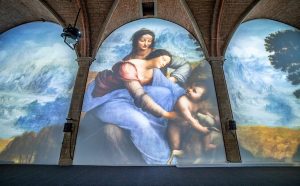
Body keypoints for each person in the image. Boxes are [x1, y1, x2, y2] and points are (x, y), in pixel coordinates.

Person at [82, 49, 185, 164]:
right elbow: (140, 96)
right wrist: (166, 114)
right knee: (141, 123)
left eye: (166, 63)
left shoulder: (155, 72)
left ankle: (160, 137)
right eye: (163, 59)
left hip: (126, 98)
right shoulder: (128, 67)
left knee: (166, 93)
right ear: (156, 55)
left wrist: (186, 97)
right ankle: (161, 160)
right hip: (109, 101)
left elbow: (171, 87)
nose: (164, 63)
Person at [167, 81, 219, 164]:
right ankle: (176, 156)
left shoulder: (199, 103)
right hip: (176, 125)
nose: (189, 90)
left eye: (194, 91)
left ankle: (207, 145)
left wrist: (212, 117)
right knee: (176, 145)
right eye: (191, 87)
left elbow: (203, 111)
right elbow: (190, 119)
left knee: (205, 131)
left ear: (201, 98)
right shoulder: (182, 101)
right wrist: (201, 129)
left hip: (189, 125)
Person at [123, 28, 192, 84]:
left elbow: (185, 65)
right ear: (136, 40)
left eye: (149, 41)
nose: (146, 44)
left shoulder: (160, 55)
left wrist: (173, 78)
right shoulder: (128, 59)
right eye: (142, 40)